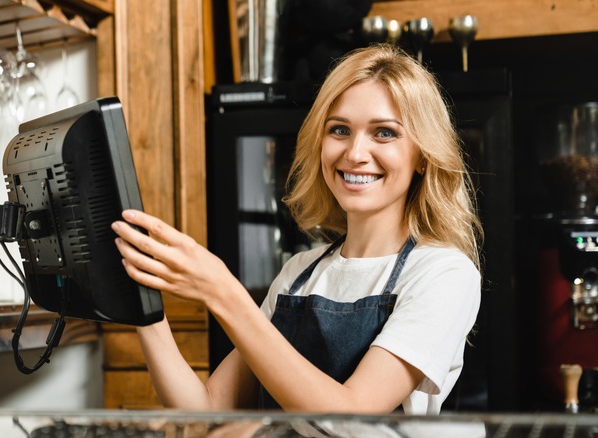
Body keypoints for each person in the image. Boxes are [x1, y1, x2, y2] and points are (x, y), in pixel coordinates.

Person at [111, 43, 483, 415]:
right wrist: (141, 300)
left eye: (384, 133)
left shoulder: (444, 274)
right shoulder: (298, 275)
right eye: (339, 130)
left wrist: (222, 292)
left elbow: (351, 417)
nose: (354, 153)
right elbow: (206, 410)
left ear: (422, 157)